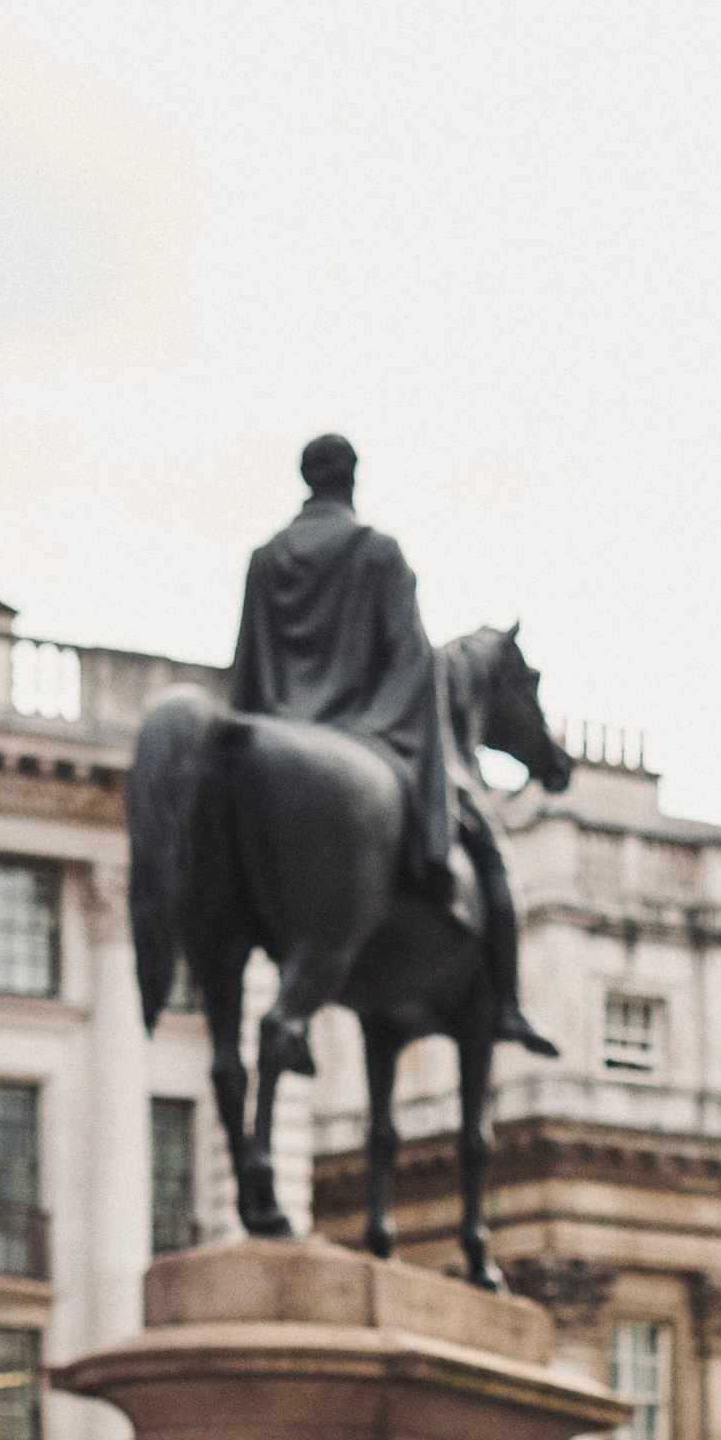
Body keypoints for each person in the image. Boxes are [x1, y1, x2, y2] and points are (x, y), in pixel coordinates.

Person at [231, 433, 546, 1052]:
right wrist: (396, 739)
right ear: (352, 479)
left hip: (272, 735)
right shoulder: (378, 553)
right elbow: (413, 665)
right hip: (372, 733)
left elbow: (248, 663)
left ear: (306, 479)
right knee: (488, 854)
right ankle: (505, 1004)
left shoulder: (265, 558)